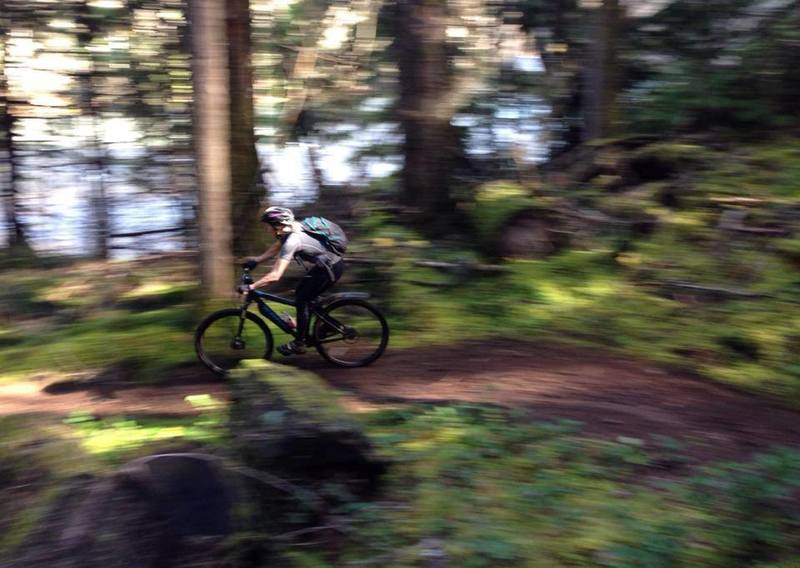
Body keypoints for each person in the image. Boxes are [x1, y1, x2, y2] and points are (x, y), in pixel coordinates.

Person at [242, 206, 345, 356]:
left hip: (331, 269)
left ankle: (299, 343)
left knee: (302, 298)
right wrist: (257, 260)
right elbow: (277, 247)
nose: (266, 230)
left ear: (278, 225)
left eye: (268, 226)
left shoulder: (293, 240)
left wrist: (251, 287)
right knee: (302, 294)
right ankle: (325, 325)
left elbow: (275, 275)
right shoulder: (290, 231)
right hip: (326, 266)